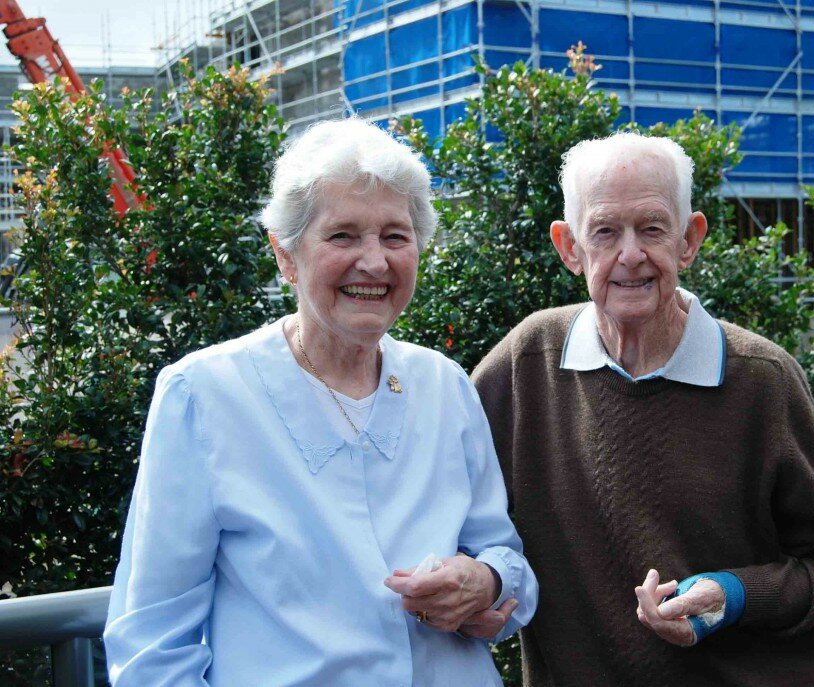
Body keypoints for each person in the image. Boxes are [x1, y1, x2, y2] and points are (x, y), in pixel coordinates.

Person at [104, 118, 538, 686]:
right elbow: (151, 646)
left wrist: (487, 581)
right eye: (343, 236)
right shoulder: (204, 395)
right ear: (285, 255)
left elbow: (507, 560)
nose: (375, 262)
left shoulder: (444, 383)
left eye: (395, 236)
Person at [472, 132, 814, 686]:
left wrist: (732, 596)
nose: (631, 253)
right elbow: (440, 498)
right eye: (606, 231)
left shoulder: (763, 379)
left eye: (652, 228)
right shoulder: (527, 363)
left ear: (689, 241)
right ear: (570, 248)